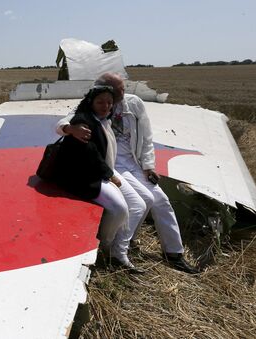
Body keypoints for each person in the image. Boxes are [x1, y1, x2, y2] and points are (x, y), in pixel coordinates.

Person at [56, 72, 200, 274]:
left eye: (123, 88)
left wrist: (149, 165)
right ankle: (120, 247)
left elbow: (147, 136)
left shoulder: (134, 104)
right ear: (104, 90)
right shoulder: (96, 103)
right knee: (143, 201)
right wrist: (70, 128)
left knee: (161, 200)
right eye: (117, 90)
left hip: (134, 162)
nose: (121, 93)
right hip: (113, 163)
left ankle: (174, 253)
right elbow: (66, 120)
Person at [53, 85, 139, 272]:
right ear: (90, 102)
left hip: (100, 171)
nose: (105, 105)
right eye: (100, 101)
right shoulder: (84, 121)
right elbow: (89, 152)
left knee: (136, 204)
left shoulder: (103, 120)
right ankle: (104, 246)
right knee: (120, 209)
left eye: (109, 102)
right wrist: (110, 175)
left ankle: (120, 244)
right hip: (84, 177)